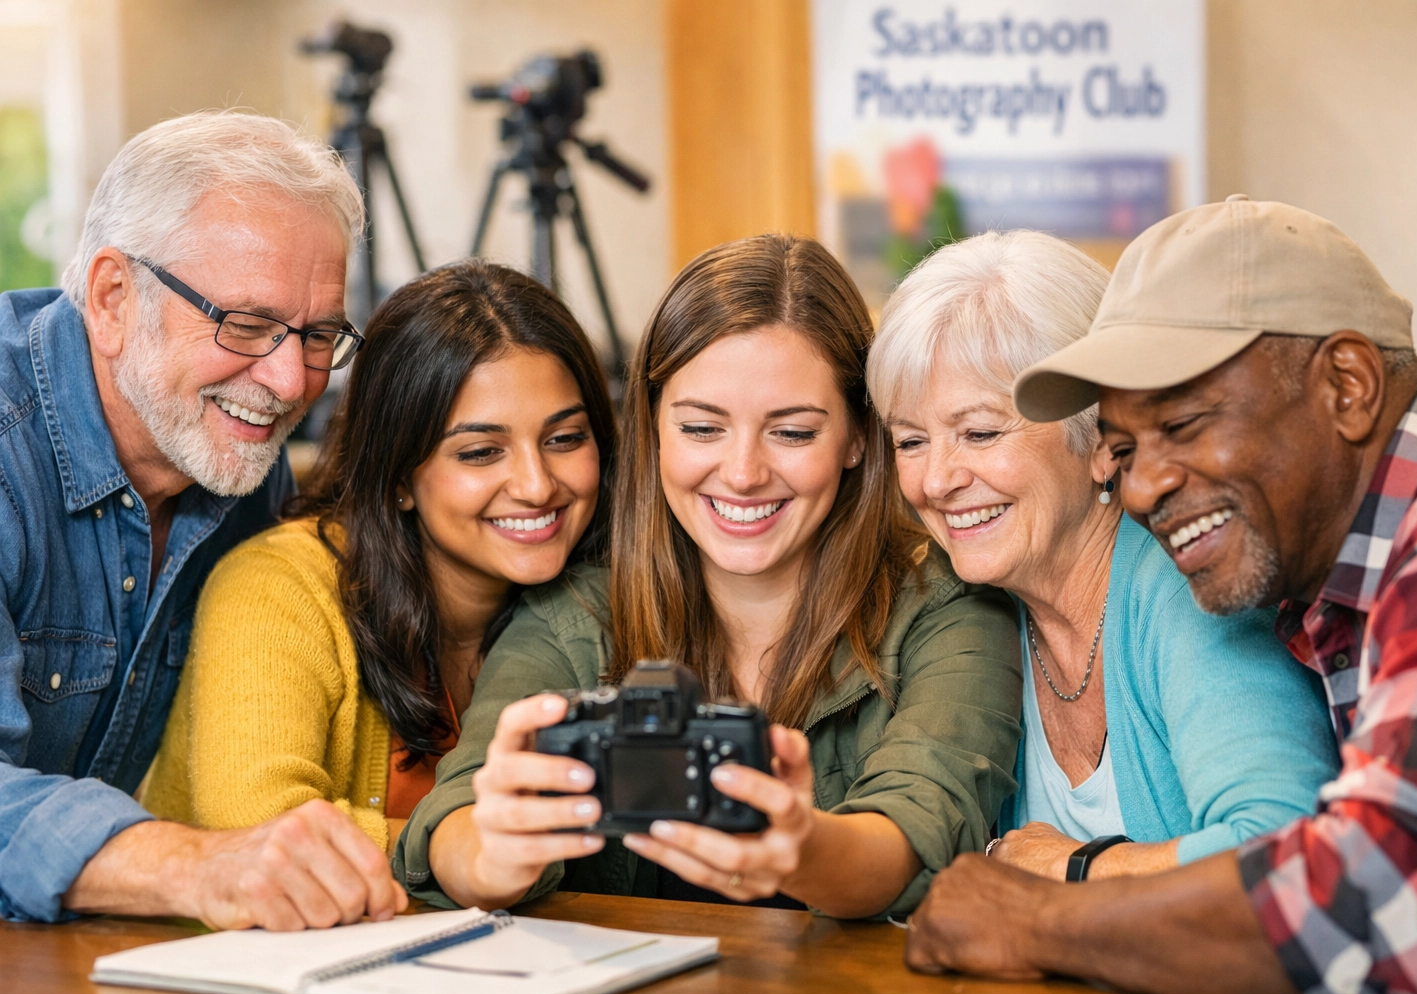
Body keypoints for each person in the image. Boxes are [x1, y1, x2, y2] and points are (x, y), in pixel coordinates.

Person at [906, 196, 1417, 994]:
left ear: (1347, 386)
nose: (1144, 488)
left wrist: (1039, 917)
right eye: (1126, 448)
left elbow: (1393, 909)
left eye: (1184, 424)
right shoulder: (1347, 569)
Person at [395, 234, 1023, 919]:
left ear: (856, 438)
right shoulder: (571, 613)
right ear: (654, 428)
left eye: (792, 432)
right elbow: (456, 819)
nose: (743, 473)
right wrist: (490, 854)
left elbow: (919, 829)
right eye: (701, 429)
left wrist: (803, 848)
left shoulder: (949, 610)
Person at [0, 110, 405, 929]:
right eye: (245, 325)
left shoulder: (228, 448)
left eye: (320, 335)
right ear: (113, 298)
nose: (290, 382)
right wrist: (196, 865)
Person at [866, 230, 1338, 881]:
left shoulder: (1185, 588)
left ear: (1098, 441)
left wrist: (1076, 868)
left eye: (980, 433)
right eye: (911, 442)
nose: (937, 481)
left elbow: (1286, 848)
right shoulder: (963, 612)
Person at [140, 260, 614, 852]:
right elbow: (263, 829)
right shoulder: (276, 586)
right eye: (480, 452)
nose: (537, 486)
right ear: (397, 476)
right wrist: (454, 850)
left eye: (564, 439)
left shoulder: (601, 595)